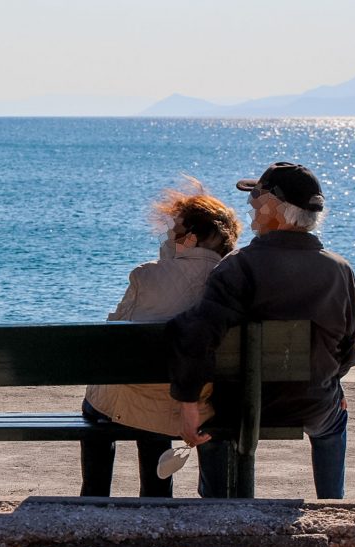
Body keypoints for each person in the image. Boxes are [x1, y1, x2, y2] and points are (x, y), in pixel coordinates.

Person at [164, 162, 355, 499]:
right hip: (313, 402)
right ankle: (332, 504)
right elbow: (349, 348)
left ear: (274, 206)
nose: (250, 204)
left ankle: (218, 503)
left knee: (213, 418)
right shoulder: (340, 271)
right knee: (335, 415)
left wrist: (188, 403)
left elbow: (197, 334)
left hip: (244, 405)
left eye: (256, 197)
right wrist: (329, 382)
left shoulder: (238, 266)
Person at [80, 183, 241, 497]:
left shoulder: (147, 275)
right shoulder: (234, 278)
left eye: (171, 233)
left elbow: (113, 334)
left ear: (190, 239)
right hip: (197, 400)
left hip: (135, 398)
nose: (166, 239)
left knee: (101, 402)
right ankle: (156, 496)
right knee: (157, 403)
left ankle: (94, 495)